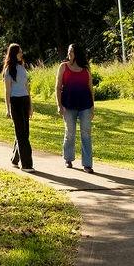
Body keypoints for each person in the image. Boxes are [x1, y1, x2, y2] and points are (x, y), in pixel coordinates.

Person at [57, 43, 94, 173]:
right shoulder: (63, 67)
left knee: (86, 134)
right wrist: (59, 105)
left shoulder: (86, 69)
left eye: (71, 51)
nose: (69, 54)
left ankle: (87, 164)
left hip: (85, 106)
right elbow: (58, 87)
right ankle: (68, 158)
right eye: (68, 51)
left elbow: (90, 89)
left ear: (77, 53)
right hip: (68, 105)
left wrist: (93, 108)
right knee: (70, 133)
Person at [0, 42, 34, 169]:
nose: (21, 53)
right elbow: (7, 91)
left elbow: (27, 87)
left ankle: (15, 158)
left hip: (25, 101)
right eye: (19, 51)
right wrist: (7, 109)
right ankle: (26, 164)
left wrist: (31, 105)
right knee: (21, 133)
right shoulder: (9, 70)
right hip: (15, 102)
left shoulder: (22, 68)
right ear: (14, 53)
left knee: (24, 132)